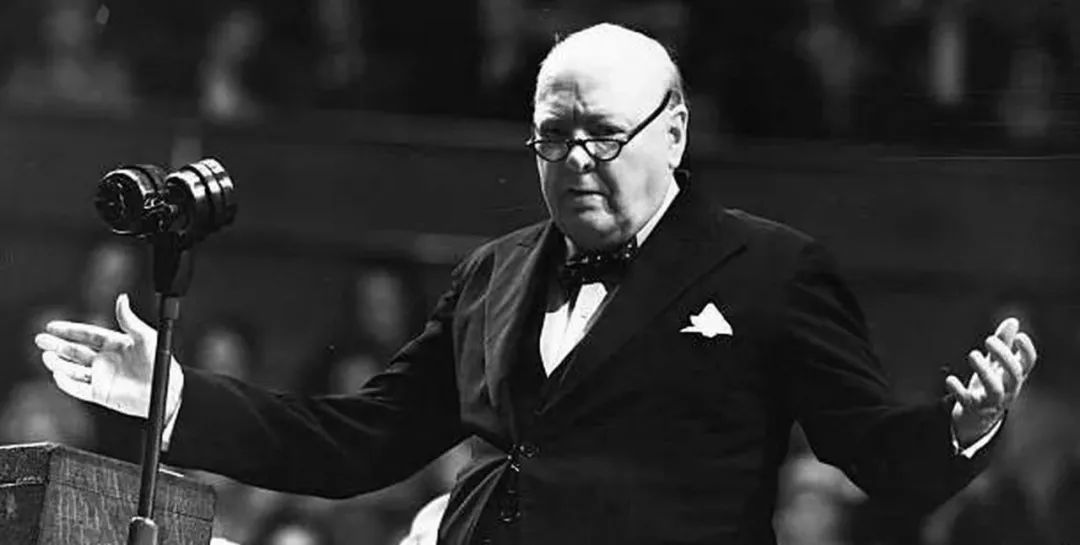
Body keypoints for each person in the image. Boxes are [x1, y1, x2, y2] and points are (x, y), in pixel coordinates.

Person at [34, 23, 1038, 545]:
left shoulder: (773, 269)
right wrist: (173, 395)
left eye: (603, 134)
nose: (576, 159)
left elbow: (875, 450)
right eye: (553, 137)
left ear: (674, 133)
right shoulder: (494, 270)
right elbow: (360, 440)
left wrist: (964, 425)